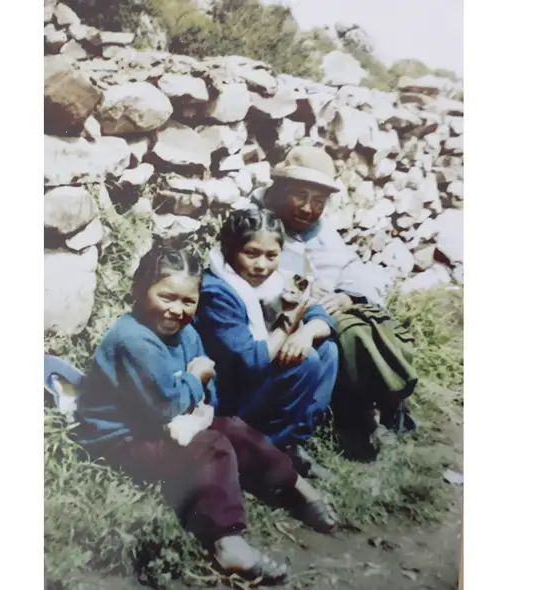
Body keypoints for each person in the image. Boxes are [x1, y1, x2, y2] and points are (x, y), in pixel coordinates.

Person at [74, 246, 337, 585]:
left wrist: (200, 388)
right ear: (138, 290)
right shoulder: (133, 341)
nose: (176, 310)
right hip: (122, 442)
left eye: (188, 301)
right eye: (166, 297)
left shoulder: (187, 333)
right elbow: (164, 408)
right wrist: (195, 380)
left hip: (166, 423)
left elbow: (204, 394)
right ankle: (227, 541)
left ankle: (296, 489)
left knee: (235, 430)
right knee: (211, 444)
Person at [254, 145, 421, 456]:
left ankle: (385, 408)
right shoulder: (258, 221)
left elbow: (350, 269)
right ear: (280, 189)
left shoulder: (319, 231)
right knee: (351, 333)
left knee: (373, 323)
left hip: (322, 307)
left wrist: (345, 296)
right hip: (284, 314)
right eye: (300, 196)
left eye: (318, 201)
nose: (308, 208)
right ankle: (360, 420)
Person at [193, 208, 340, 480]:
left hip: (258, 381)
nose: (261, 265)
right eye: (251, 254)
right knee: (306, 361)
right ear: (230, 250)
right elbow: (250, 361)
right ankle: (260, 451)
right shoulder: (219, 292)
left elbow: (320, 316)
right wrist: (287, 323)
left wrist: (305, 332)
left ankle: (293, 443)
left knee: (326, 348)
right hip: (228, 395)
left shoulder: (278, 281)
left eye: (271, 255)